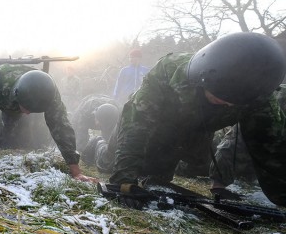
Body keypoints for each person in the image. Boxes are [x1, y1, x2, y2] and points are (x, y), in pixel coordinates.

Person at [103, 32, 286, 206]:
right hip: (146, 125)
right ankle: (98, 146)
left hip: (189, 137)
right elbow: (137, 123)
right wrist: (124, 180)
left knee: (156, 179)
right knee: (109, 164)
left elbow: (273, 151)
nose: (228, 106)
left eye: (234, 103)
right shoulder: (169, 70)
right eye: (219, 98)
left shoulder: (260, 97)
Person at [0, 64, 94, 181]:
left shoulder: (49, 92)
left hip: (17, 97)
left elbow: (61, 127)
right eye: (26, 108)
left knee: (15, 133)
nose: (27, 114)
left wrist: (76, 172)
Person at [210, 84, 286, 193]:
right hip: (233, 148)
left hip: (254, 167)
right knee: (194, 168)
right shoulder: (278, 97)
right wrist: (218, 185)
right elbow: (234, 142)